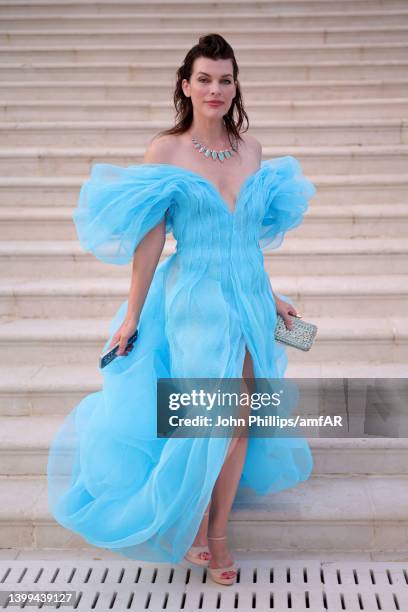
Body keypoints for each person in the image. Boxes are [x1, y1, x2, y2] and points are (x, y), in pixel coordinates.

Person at [47, 33, 316, 587]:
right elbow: (151, 243)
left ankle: (215, 532)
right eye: (204, 78)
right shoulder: (165, 151)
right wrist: (131, 316)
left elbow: (247, 241)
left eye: (225, 79)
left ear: (235, 85)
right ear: (185, 84)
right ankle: (192, 519)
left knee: (239, 420)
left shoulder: (252, 151)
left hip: (247, 293)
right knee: (208, 417)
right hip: (196, 298)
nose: (215, 89)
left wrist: (270, 296)